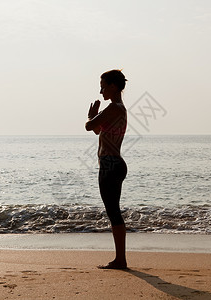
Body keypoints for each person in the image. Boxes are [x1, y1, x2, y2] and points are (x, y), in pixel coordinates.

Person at [85, 69, 128, 269]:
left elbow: (89, 126)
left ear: (113, 86)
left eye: (103, 86)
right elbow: (97, 130)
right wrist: (94, 119)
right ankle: (120, 258)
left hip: (110, 164)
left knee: (113, 212)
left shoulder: (114, 108)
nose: (101, 91)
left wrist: (92, 116)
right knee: (113, 211)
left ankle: (120, 259)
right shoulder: (118, 109)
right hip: (113, 163)